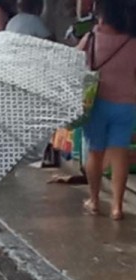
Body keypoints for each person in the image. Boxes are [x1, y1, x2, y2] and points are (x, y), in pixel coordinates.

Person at [80, 1, 136, 220]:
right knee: (119, 152)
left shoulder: (92, 39)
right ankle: (117, 206)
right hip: (127, 104)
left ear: (103, 17)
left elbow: (75, 61)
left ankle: (94, 201)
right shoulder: (132, 42)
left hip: (97, 103)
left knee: (96, 151)